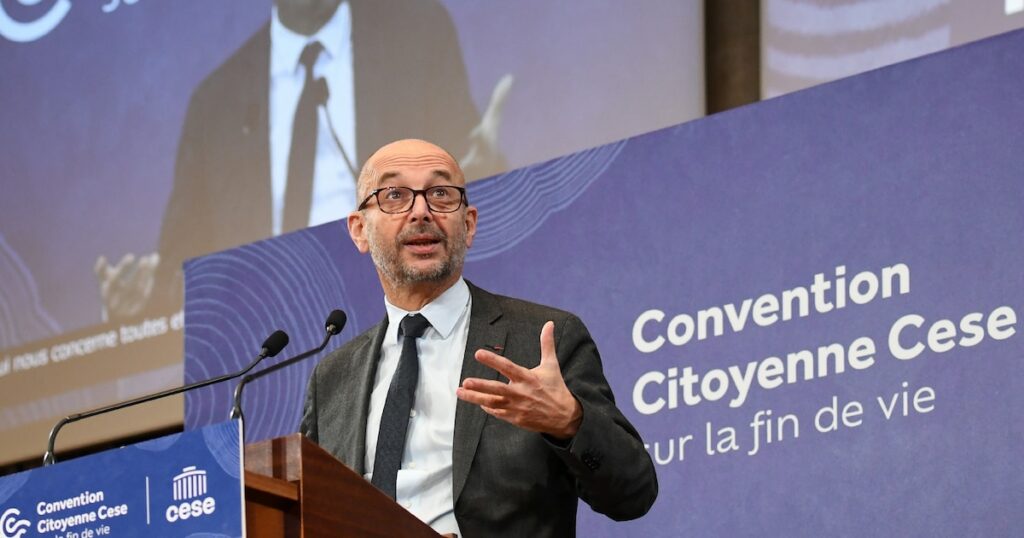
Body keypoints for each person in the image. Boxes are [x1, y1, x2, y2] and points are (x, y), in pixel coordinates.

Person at [300, 139, 657, 537]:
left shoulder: (541, 339)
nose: (421, 211)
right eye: (395, 195)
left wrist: (570, 423)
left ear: (467, 225)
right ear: (359, 230)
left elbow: (634, 493)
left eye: (440, 194)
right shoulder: (332, 377)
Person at [94, 0, 511, 320]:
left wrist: (485, 173)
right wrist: (144, 302)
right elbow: (185, 269)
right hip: (271, 336)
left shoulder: (416, 36)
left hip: (405, 307)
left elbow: (460, 179)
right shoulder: (215, 103)